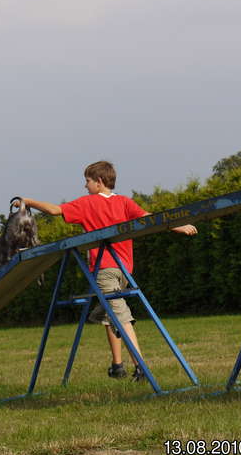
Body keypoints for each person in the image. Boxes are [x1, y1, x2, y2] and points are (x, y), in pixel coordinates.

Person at [18, 161, 197, 381]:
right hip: (125, 270)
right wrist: (178, 226)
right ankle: (117, 366)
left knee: (120, 317)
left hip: (104, 269)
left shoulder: (87, 203)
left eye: (87, 181)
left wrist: (28, 201)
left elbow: (55, 210)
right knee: (107, 315)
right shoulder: (124, 202)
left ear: (99, 182)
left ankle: (141, 368)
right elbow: (149, 219)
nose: (85, 186)